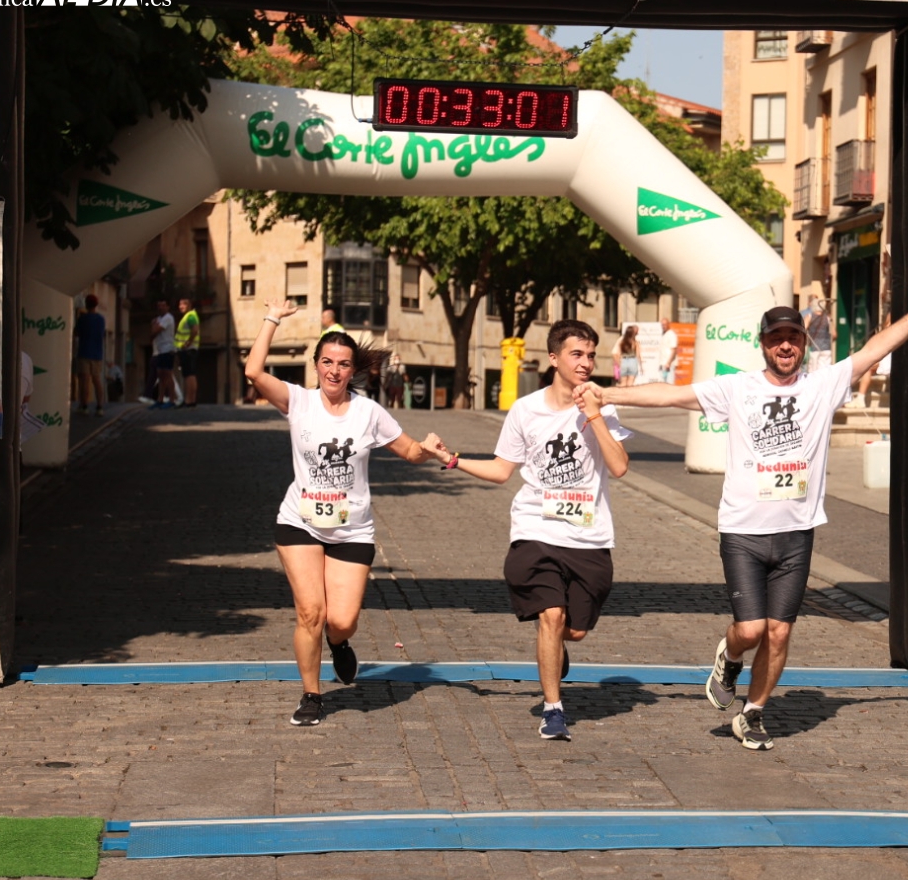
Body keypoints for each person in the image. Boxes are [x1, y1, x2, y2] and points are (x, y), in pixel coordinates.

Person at [583, 268, 908, 750]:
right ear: (762, 345)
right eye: (776, 338)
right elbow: (671, 395)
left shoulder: (822, 386)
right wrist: (608, 393)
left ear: (803, 344)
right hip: (743, 531)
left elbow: (872, 351)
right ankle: (729, 657)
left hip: (797, 532)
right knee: (751, 629)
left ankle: (753, 713)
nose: (785, 346)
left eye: (793, 338)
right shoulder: (737, 389)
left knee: (778, 634)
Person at [245, 300, 447, 726]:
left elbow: (409, 450)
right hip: (299, 522)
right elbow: (254, 372)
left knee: (341, 620)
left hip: (352, 530)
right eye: (326, 362)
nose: (334, 371)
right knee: (310, 613)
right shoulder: (298, 401)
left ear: (353, 370)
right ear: (316, 365)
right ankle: (311, 695)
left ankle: (338, 643)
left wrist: (427, 451)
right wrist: (272, 319)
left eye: (342, 364)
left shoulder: (368, 412)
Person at [432, 320, 631, 741]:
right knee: (551, 615)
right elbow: (501, 469)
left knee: (574, 629)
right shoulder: (525, 410)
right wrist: (453, 459)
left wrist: (593, 415)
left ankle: (555, 646)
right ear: (554, 358)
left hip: (588, 535)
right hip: (536, 529)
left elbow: (619, 467)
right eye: (577, 354)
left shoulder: (602, 407)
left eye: (591, 355)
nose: (586, 363)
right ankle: (553, 709)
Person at [73, 294, 107, 416]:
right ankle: (100, 406)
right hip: (97, 354)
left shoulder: (82, 319)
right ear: (96, 305)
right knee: (96, 380)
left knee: (84, 381)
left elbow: (76, 333)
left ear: (86, 304)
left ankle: (84, 406)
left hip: (84, 352)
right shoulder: (101, 319)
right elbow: (103, 334)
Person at [144, 299, 177, 407]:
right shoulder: (159, 319)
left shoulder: (168, 318)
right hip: (160, 350)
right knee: (160, 374)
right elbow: (152, 330)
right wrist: (154, 327)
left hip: (168, 349)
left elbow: (155, 331)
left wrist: (154, 327)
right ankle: (160, 399)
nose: (161, 308)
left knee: (168, 374)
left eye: (163, 305)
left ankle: (172, 400)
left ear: (168, 307)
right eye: (159, 306)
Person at [175, 298, 202, 408]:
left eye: (183, 304)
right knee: (190, 374)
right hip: (189, 350)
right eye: (180, 304)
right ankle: (191, 400)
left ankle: (189, 400)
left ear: (189, 305)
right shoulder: (189, 316)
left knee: (189, 375)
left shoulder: (190, 316)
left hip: (188, 350)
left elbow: (194, 330)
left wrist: (188, 342)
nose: (180, 306)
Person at [803, 298, 835, 372]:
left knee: (813, 373)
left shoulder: (809, 316)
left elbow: (803, 330)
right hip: (826, 349)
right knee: (825, 372)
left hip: (814, 348)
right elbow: (834, 334)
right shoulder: (828, 317)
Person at [658, 318, 679, 383]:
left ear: (668, 324)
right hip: (663, 364)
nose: (663, 326)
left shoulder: (671, 334)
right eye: (662, 325)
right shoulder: (663, 334)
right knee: (662, 384)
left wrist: (668, 363)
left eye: (665, 324)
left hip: (669, 365)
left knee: (669, 383)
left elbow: (674, 350)